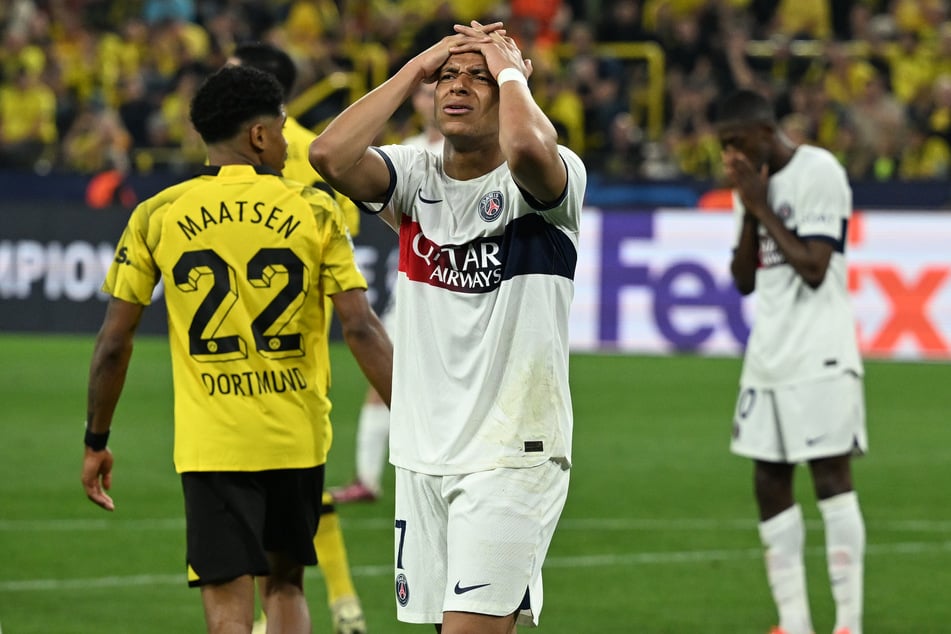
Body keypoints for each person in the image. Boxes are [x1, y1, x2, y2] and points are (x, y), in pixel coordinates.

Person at [80, 64, 393, 634]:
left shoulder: (157, 214)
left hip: (213, 446)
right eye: (279, 127)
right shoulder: (315, 209)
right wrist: (419, 422)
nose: (284, 139)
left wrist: (96, 440)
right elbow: (362, 329)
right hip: (297, 437)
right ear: (258, 136)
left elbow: (112, 345)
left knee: (227, 608)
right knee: (287, 585)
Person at [310, 19, 586, 634]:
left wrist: (510, 67)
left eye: (478, 78)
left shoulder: (548, 182)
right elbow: (329, 155)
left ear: (512, 90)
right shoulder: (416, 178)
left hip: (512, 453)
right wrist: (416, 64)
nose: (459, 86)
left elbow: (529, 151)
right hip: (423, 454)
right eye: (450, 76)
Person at [225, 41, 368, 634]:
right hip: (280, 327)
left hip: (279, 332)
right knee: (296, 470)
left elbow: (341, 228)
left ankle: (289, 607)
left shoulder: (307, 149)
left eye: (233, 74)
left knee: (274, 469)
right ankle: (339, 602)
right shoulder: (318, 144)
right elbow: (351, 222)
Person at [716, 88, 867, 634]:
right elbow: (743, 281)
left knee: (830, 476)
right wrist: (750, 208)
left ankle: (848, 623)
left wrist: (759, 204)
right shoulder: (749, 186)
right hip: (768, 356)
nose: (730, 155)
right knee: (768, 480)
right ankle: (794, 623)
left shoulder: (818, 171)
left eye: (737, 142)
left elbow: (814, 267)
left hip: (821, 350)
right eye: (723, 147)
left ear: (765, 129)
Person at [330, 80, 444, 505]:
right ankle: (366, 479)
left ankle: (434, 466)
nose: (431, 99)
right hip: (413, 288)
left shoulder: (473, 152)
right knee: (382, 379)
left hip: (458, 290)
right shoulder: (408, 151)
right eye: (425, 91)